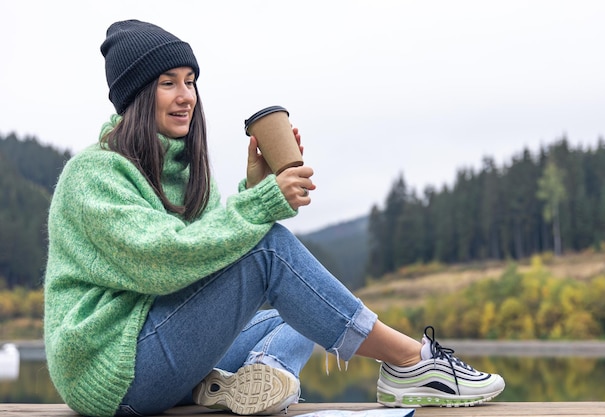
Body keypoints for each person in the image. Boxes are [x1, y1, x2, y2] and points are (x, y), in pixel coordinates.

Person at [44, 19, 505, 417]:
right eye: (168, 83)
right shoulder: (94, 173)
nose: (186, 96)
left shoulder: (183, 172)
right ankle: (411, 362)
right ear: (137, 96)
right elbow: (163, 260)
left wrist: (250, 189)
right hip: (112, 368)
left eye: (190, 81)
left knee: (301, 314)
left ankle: (256, 379)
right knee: (272, 254)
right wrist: (261, 202)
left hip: (159, 354)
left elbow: (207, 259)